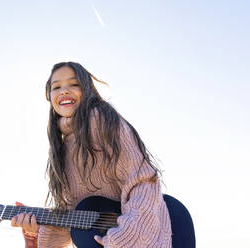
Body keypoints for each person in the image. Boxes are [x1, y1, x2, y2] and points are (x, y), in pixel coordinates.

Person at [11, 62, 172, 247]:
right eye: (56, 87)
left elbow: (142, 180)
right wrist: (36, 236)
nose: (64, 91)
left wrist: (126, 236)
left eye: (74, 84)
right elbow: (75, 217)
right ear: (50, 97)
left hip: (139, 235)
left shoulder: (101, 119)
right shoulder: (61, 148)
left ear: (87, 89)